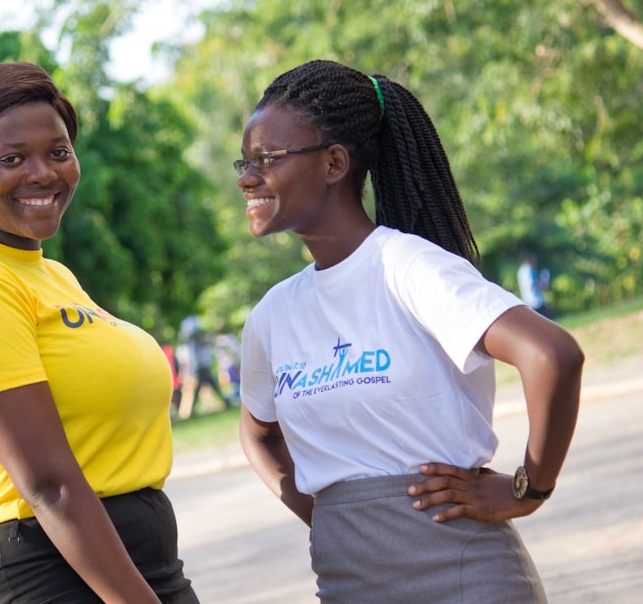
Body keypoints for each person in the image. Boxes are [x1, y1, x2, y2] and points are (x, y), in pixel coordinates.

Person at [235, 59, 584, 602]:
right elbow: (258, 435)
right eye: (244, 160)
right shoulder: (273, 315)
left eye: (266, 159)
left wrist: (526, 488)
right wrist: (333, 513)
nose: (246, 177)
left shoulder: (408, 268)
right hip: (348, 582)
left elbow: (553, 355)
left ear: (333, 163)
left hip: (462, 575)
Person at [0, 62, 198, 604]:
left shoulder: (48, 273)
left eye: (58, 152)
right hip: (50, 574)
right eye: (12, 159)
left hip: (131, 562)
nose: (42, 173)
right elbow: (50, 484)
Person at [517, 253, 553, 318]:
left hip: (527, 300)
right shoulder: (529, 270)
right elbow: (532, 285)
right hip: (536, 301)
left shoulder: (521, 271)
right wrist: (543, 284)